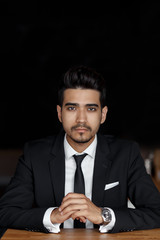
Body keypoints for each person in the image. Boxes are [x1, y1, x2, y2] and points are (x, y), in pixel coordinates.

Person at [0, 65, 160, 235]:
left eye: (91, 109)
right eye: (72, 108)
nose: (81, 119)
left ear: (103, 114)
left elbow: (156, 212)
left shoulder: (126, 154)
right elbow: (5, 213)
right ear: (60, 113)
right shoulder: (35, 154)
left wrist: (102, 215)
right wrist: (51, 216)